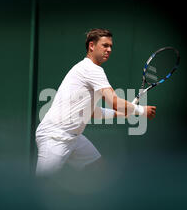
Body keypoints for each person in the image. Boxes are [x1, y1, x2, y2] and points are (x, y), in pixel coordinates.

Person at [35, 28, 156, 176]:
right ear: (92, 46)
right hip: (55, 136)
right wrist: (141, 111)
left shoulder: (87, 70)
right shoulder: (91, 69)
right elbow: (116, 102)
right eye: (105, 45)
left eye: (111, 46)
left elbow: (91, 112)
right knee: (42, 184)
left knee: (99, 168)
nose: (109, 49)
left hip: (74, 137)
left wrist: (119, 114)